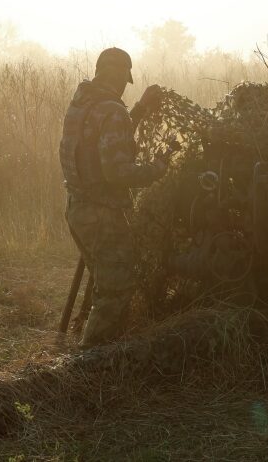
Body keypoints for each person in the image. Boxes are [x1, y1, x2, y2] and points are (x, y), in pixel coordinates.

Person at [59, 47, 170, 347]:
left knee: (104, 282)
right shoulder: (112, 111)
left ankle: (92, 349)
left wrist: (140, 109)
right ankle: (91, 363)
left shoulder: (81, 104)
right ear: (120, 75)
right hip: (103, 215)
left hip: (77, 209)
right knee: (115, 291)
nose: (124, 85)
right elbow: (118, 172)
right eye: (124, 79)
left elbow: (106, 138)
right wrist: (159, 166)